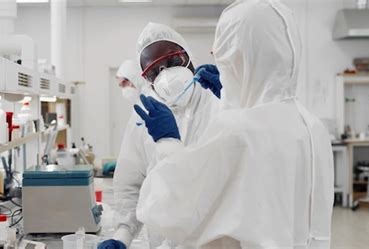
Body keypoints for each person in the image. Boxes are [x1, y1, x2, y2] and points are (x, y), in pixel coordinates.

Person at [134, 1, 334, 248]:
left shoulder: (239, 132)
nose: (214, 56)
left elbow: (169, 209)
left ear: (240, 55)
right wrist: (230, 99)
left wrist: (167, 142)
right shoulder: (313, 127)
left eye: (221, 51)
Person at [98, 23, 220, 249]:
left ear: (188, 56)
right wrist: (122, 235)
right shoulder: (144, 118)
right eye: (154, 71)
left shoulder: (217, 103)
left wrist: (234, 102)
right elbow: (131, 186)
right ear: (146, 78)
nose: (166, 74)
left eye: (173, 61)